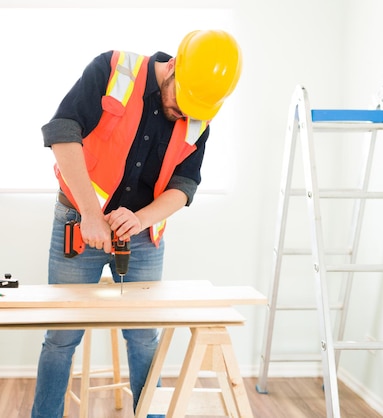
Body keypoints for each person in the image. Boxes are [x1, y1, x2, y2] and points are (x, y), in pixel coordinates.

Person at [31, 30, 242, 418]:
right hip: (81, 224)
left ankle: (150, 414)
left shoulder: (199, 114)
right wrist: (92, 213)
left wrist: (141, 218)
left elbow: (184, 186)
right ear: (174, 65)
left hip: (142, 236)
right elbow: (62, 132)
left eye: (196, 108)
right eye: (182, 100)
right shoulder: (113, 70)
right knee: (61, 335)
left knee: (145, 337)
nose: (185, 113)